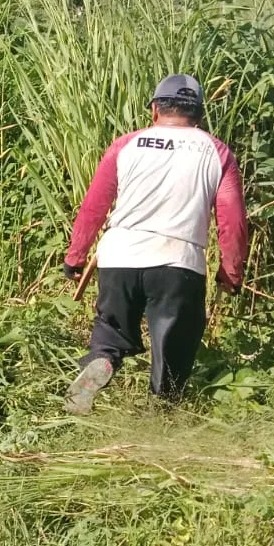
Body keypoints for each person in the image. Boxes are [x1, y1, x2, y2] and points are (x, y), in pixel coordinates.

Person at [62, 74, 248, 415]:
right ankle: (161, 415)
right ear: (199, 114)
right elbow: (232, 219)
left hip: (119, 254)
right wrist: (231, 271)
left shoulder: (126, 144)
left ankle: (103, 358)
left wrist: (76, 256)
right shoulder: (217, 151)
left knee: (111, 330)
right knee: (174, 346)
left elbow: (94, 206)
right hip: (178, 262)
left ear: (155, 110)